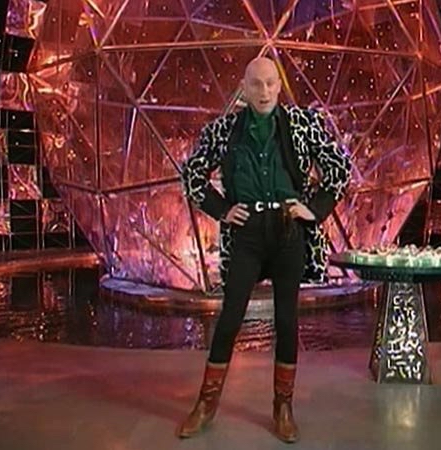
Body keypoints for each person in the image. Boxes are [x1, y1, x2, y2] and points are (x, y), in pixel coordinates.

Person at [178, 56, 351, 443]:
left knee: (287, 321)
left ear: (280, 85)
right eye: (256, 84)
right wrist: (222, 209)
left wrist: (314, 209)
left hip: (288, 232)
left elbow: (340, 168)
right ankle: (205, 404)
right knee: (230, 318)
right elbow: (191, 174)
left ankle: (283, 407)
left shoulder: (302, 123)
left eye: (271, 83)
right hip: (247, 234)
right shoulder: (224, 130)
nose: (265, 91)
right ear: (244, 87)